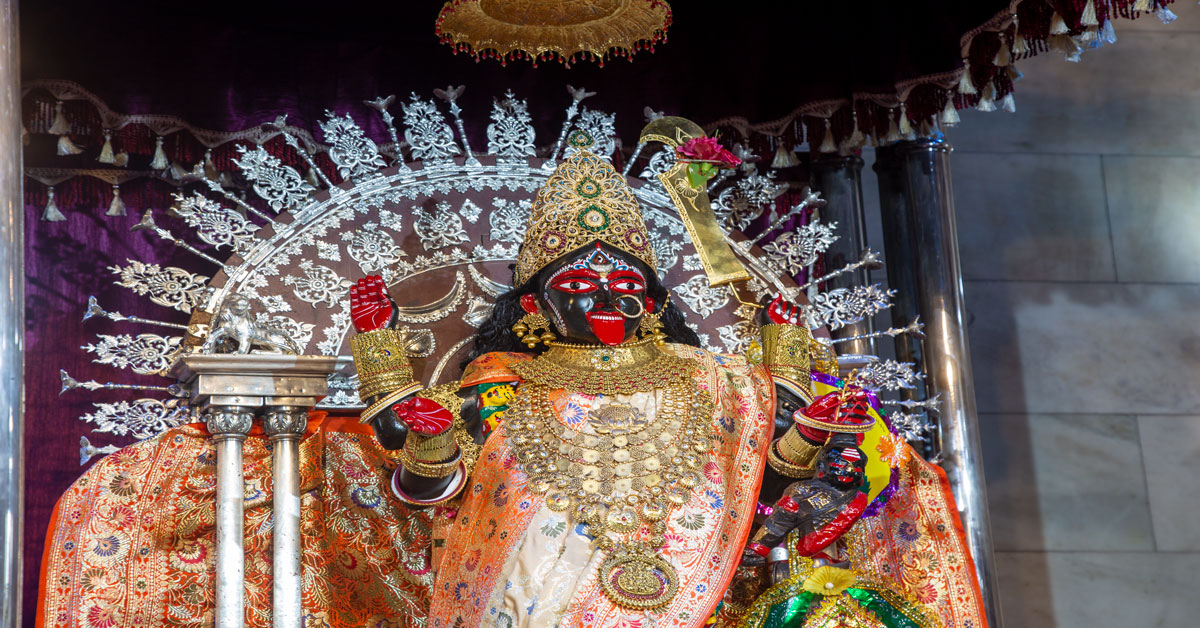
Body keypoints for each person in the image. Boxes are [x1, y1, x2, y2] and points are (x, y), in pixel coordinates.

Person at [349, 147, 833, 627]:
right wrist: (387, 364)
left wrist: (788, 372)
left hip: (689, 595)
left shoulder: (710, 379)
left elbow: (767, 481)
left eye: (625, 285)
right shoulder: (504, 385)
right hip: (530, 604)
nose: (605, 296)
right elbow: (421, 481)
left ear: (650, 303)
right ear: (536, 306)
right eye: (580, 285)